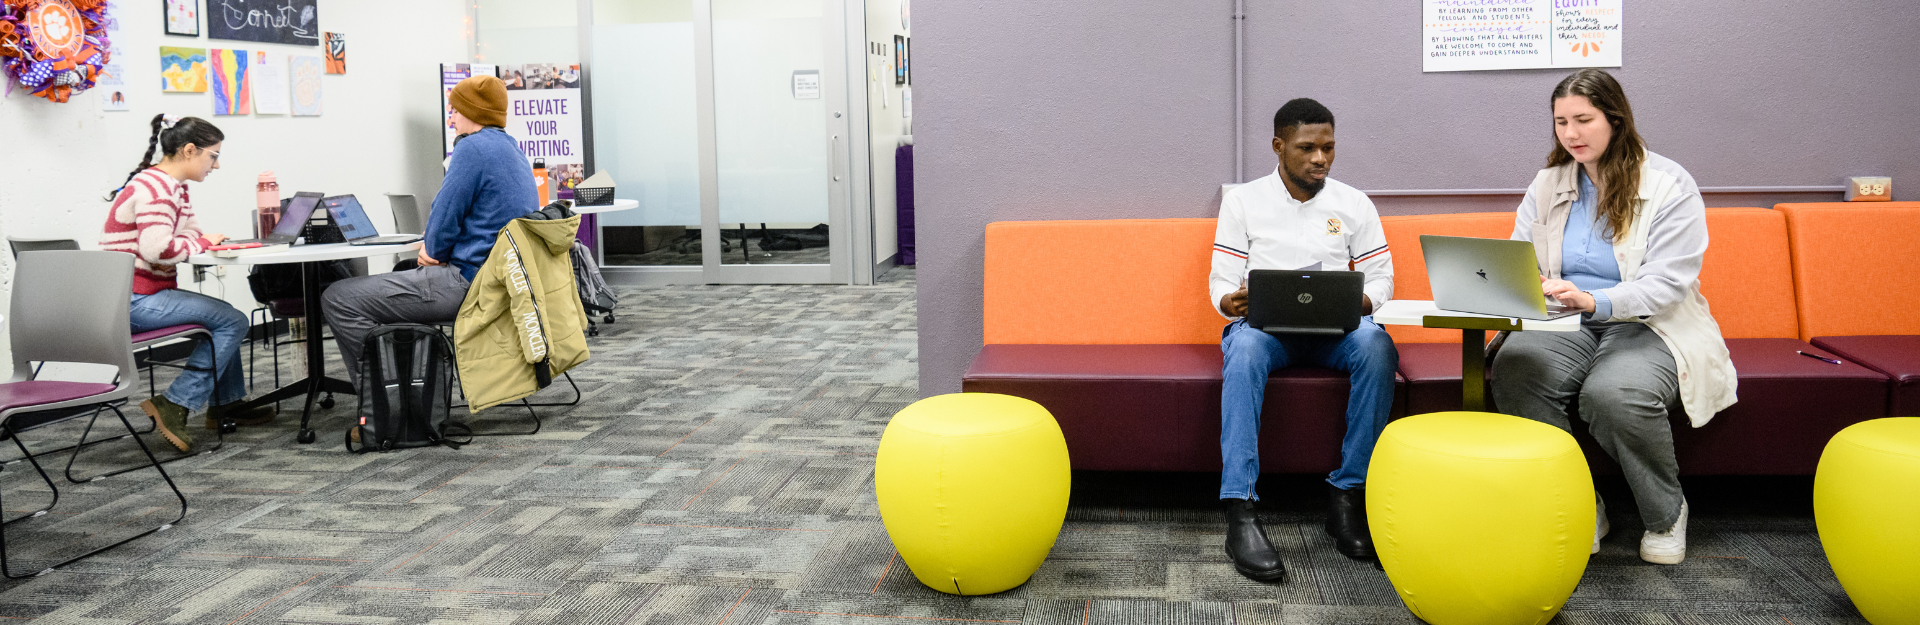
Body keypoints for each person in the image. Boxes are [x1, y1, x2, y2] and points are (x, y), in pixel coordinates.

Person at [1490, 69, 1736, 565]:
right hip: (1564, 320)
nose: (1571, 134)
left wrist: (1594, 301)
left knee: (1614, 394)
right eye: (1561, 122)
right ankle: (1582, 505)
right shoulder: (1547, 184)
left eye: (1584, 119)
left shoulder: (1669, 184)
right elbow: (1521, 257)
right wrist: (1527, 284)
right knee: (1516, 370)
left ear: (1615, 119)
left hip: (1648, 323)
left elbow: (1669, 283)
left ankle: (1665, 514)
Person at [1210, 98, 1398, 581]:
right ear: (1278, 147)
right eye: (1308, 148)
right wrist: (1230, 302)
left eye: (1329, 148)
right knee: (1245, 349)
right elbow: (1221, 281)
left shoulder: (1353, 203)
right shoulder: (1244, 202)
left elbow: (1382, 279)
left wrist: (1362, 302)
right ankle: (1241, 510)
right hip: (1267, 331)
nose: (1321, 158)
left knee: (1378, 347)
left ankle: (1348, 497)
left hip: (1336, 330)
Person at [322, 74, 535, 390]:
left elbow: (444, 217)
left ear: (474, 112)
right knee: (400, 273)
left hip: (469, 283)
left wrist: (433, 251)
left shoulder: (472, 149)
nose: (451, 118)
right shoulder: (513, 150)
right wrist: (435, 249)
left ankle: (388, 401)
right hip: (503, 281)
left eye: (455, 110)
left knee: (338, 297)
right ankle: (409, 384)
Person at [101, 114, 276, 452]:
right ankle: (176, 403)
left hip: (132, 295)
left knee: (223, 315)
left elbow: (191, 232)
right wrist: (202, 243)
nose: (216, 165)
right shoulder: (157, 189)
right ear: (190, 150)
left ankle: (225, 403)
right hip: (133, 301)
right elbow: (160, 249)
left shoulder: (170, 185)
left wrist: (199, 241)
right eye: (213, 156)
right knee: (233, 320)